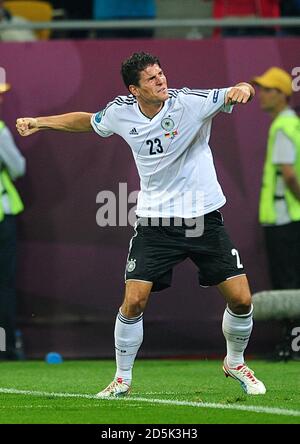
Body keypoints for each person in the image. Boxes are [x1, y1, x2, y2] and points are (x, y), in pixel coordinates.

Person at [16, 51, 266, 396]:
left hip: (203, 218)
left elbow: (238, 89)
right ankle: (122, 379)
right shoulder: (121, 112)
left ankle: (235, 361)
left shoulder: (190, 103)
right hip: (155, 223)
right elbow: (88, 121)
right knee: (133, 301)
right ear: (135, 89)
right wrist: (40, 122)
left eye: (161, 73)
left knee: (241, 300)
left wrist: (243, 88)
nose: (161, 80)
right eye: (151, 78)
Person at [253, 67, 300, 290]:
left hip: (284, 219)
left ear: (282, 94)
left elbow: (288, 174)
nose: (261, 94)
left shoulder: (282, 126)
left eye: (268, 89)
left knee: (288, 284)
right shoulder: (291, 123)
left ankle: (292, 327)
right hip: (290, 218)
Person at [0, 80, 26, 360]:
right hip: (1, 218)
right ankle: (4, 349)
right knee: (3, 285)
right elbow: (18, 167)